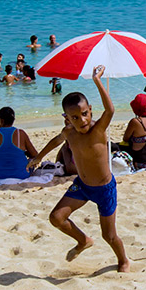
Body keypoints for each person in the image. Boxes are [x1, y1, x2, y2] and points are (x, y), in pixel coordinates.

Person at [28, 66, 129, 272]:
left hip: (104, 189)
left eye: (84, 114)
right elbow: (55, 141)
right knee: (56, 218)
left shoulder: (98, 130)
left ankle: (123, 260)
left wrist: (97, 81)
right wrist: (38, 157)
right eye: (75, 117)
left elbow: (110, 110)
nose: (81, 120)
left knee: (109, 236)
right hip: (82, 186)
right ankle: (83, 241)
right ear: (66, 117)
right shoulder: (69, 133)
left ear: (90, 110)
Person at [0, 106, 38, 179]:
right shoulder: (20, 133)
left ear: (1, 120)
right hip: (21, 175)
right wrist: (25, 153)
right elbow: (35, 154)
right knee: (31, 160)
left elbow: (0, 153)